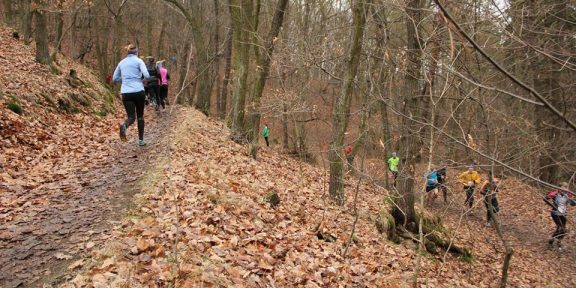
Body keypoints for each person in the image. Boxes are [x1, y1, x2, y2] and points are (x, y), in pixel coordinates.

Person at [113, 44, 150, 146]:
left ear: (127, 52)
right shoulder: (139, 61)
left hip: (126, 92)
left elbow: (114, 78)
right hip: (138, 91)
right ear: (136, 52)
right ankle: (141, 140)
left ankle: (125, 125)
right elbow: (146, 75)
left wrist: (124, 80)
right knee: (140, 116)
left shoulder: (121, 63)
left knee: (131, 117)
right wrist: (142, 80)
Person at [544, 182, 576, 251]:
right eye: (564, 186)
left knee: (563, 230)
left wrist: (574, 201)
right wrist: (552, 205)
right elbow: (545, 198)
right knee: (560, 228)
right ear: (560, 187)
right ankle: (550, 242)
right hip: (555, 213)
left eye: (567, 187)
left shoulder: (568, 195)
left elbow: (572, 203)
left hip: (563, 214)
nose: (566, 188)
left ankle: (558, 242)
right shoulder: (555, 194)